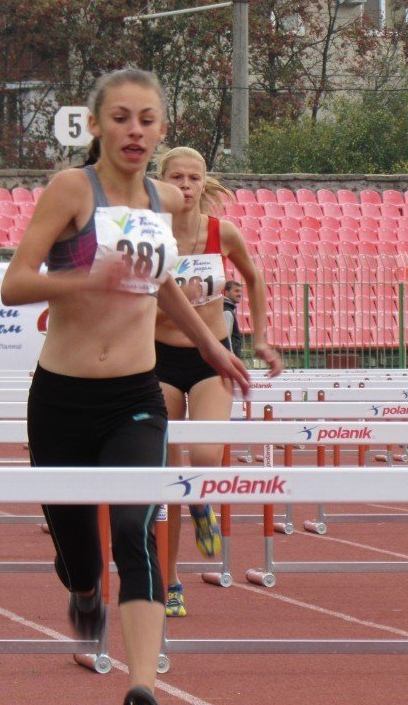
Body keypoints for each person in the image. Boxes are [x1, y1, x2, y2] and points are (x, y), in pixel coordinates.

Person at [0, 70, 250, 705]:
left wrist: (210, 345)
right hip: (62, 399)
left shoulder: (162, 199)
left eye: (146, 119)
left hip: (135, 396)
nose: (134, 130)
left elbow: (161, 281)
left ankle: (142, 685)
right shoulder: (71, 189)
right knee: (81, 557)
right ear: (97, 126)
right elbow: (14, 284)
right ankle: (84, 590)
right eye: (120, 118)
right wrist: (86, 279)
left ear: (161, 129)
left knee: (137, 533)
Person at [153, 146, 284, 618]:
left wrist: (261, 339)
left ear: (204, 182)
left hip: (213, 359)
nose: (186, 186)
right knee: (167, 480)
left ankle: (201, 505)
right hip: (159, 358)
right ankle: (169, 580)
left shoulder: (221, 233)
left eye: (193, 178)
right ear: (161, 181)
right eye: (177, 177)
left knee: (206, 457)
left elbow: (254, 279)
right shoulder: (150, 233)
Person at [223, 280, 244, 357]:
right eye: (236, 291)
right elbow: (226, 337)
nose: (240, 294)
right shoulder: (227, 311)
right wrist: (232, 356)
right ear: (226, 292)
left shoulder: (227, 308)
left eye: (240, 292)